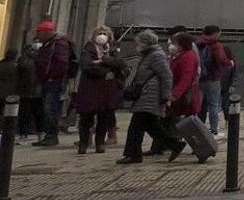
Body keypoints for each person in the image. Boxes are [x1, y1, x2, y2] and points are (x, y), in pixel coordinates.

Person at [117, 30, 180, 164]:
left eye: (139, 42)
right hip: (147, 95)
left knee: (136, 126)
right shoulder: (149, 55)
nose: (137, 45)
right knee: (151, 126)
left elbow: (166, 76)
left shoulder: (156, 56)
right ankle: (175, 145)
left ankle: (133, 154)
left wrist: (166, 96)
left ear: (146, 42)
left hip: (150, 96)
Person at [75, 26, 126, 154]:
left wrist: (104, 60)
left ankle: (100, 143)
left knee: (103, 117)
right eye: (99, 33)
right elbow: (87, 66)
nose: (102, 35)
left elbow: (120, 64)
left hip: (106, 90)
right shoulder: (88, 49)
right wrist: (105, 71)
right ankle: (83, 143)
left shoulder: (112, 50)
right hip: (90, 88)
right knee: (86, 117)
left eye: (105, 33)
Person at [32, 20, 72, 147]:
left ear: (45, 33)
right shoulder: (48, 44)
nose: (37, 35)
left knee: (50, 108)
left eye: (39, 32)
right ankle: (49, 134)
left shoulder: (58, 44)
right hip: (47, 80)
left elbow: (62, 63)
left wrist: (52, 77)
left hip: (53, 81)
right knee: (48, 107)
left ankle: (51, 135)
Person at [195, 25, 230, 140]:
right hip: (213, 78)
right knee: (213, 105)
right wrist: (229, 62)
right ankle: (214, 131)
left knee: (198, 105)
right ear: (215, 33)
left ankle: (197, 129)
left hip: (199, 78)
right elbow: (221, 59)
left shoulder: (197, 43)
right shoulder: (216, 45)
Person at [14, 44, 41, 143]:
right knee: (31, 113)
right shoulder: (37, 61)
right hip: (32, 91)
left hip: (27, 91)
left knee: (26, 113)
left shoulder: (24, 61)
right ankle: (37, 133)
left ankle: (24, 134)